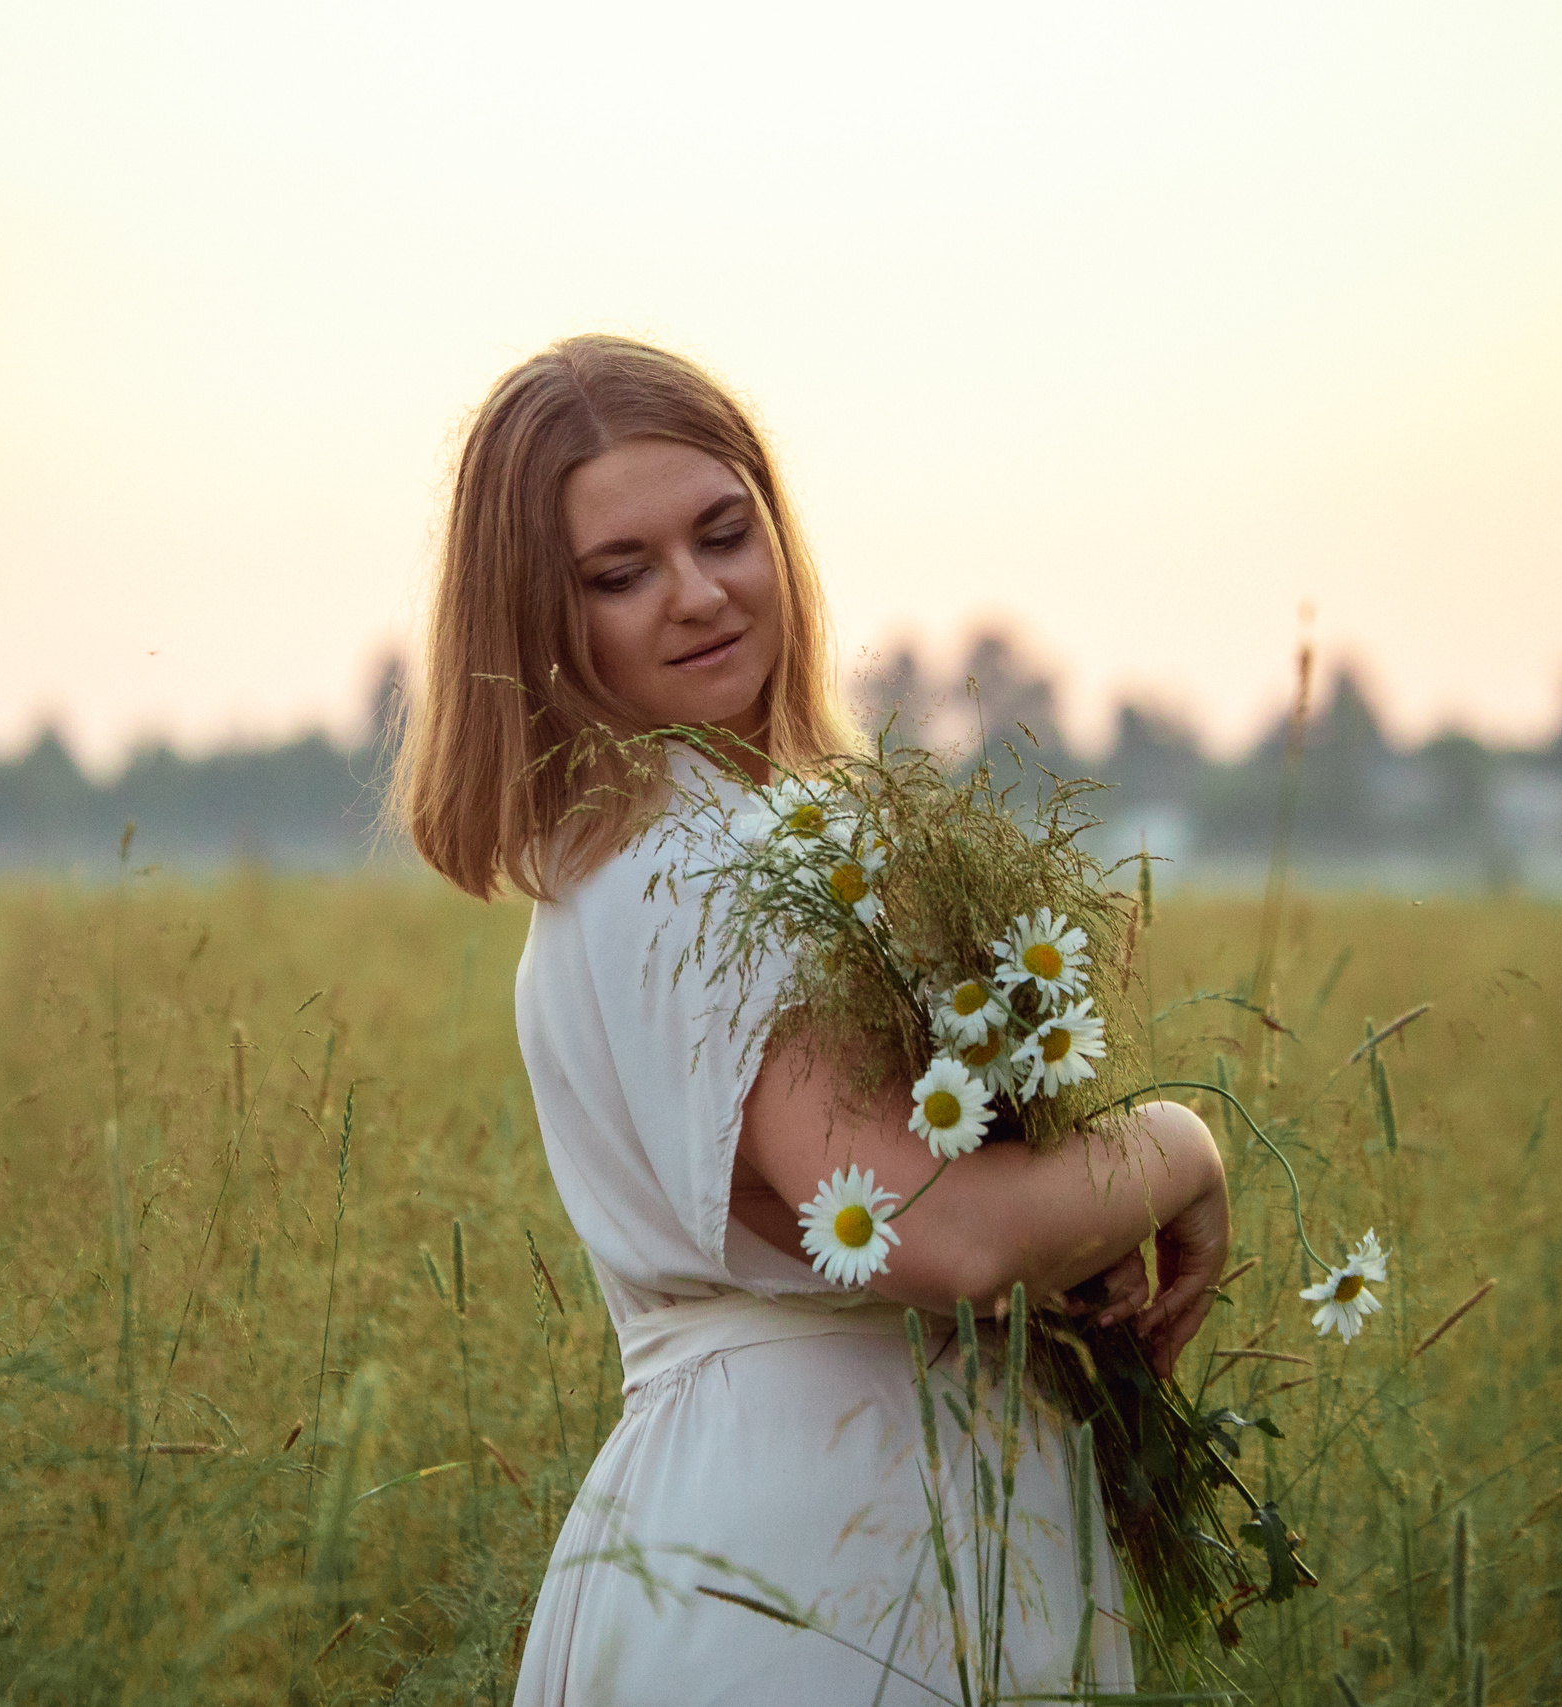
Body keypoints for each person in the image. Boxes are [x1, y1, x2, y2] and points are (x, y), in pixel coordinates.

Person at [395, 333, 1230, 1704]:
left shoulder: (658, 859)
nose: (698, 595)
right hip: (817, 1567)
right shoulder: (695, 866)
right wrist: (1178, 1149)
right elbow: (940, 1233)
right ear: (537, 623)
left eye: (727, 534)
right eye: (622, 573)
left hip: (818, 1532)